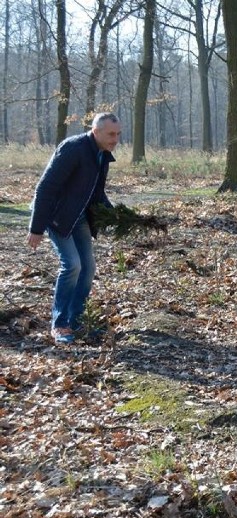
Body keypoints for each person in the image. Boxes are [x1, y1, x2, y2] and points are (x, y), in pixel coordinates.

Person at [26, 112, 122, 345]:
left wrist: (114, 215)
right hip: (56, 216)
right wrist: (36, 228)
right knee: (72, 265)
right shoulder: (72, 148)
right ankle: (59, 324)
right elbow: (45, 188)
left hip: (78, 217)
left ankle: (77, 320)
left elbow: (96, 193)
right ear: (96, 131)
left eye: (118, 134)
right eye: (111, 134)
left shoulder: (102, 155)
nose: (115, 139)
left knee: (88, 268)